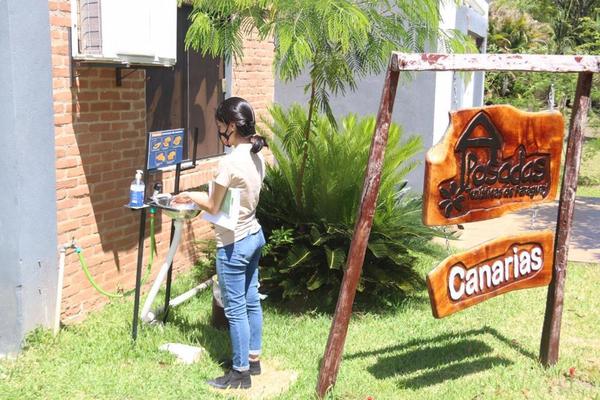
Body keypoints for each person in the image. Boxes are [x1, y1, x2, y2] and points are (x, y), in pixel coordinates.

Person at [172, 97, 268, 390]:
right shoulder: (257, 155)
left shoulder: (229, 162)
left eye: (220, 128)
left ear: (230, 126)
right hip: (254, 235)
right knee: (252, 301)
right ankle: (253, 360)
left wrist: (189, 193)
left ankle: (239, 374)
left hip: (233, 244)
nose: (220, 134)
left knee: (235, 308)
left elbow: (214, 205)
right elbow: (233, 198)